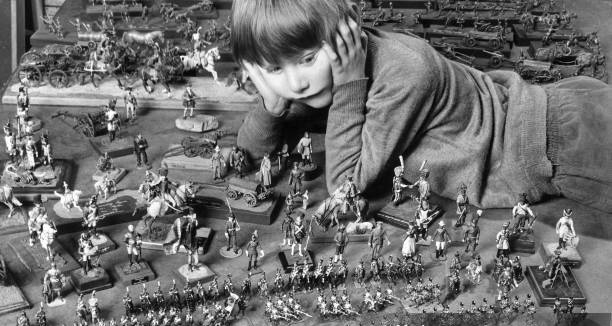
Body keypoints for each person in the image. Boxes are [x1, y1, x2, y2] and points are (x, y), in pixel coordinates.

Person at [231, 0, 612, 214]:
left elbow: (346, 185)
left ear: (346, 34)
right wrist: (272, 101)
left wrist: (349, 83)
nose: (296, 81)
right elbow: (248, 155)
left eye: (309, 58)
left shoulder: (403, 72)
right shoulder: (315, 83)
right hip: (552, 116)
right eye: (274, 68)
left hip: (549, 142)